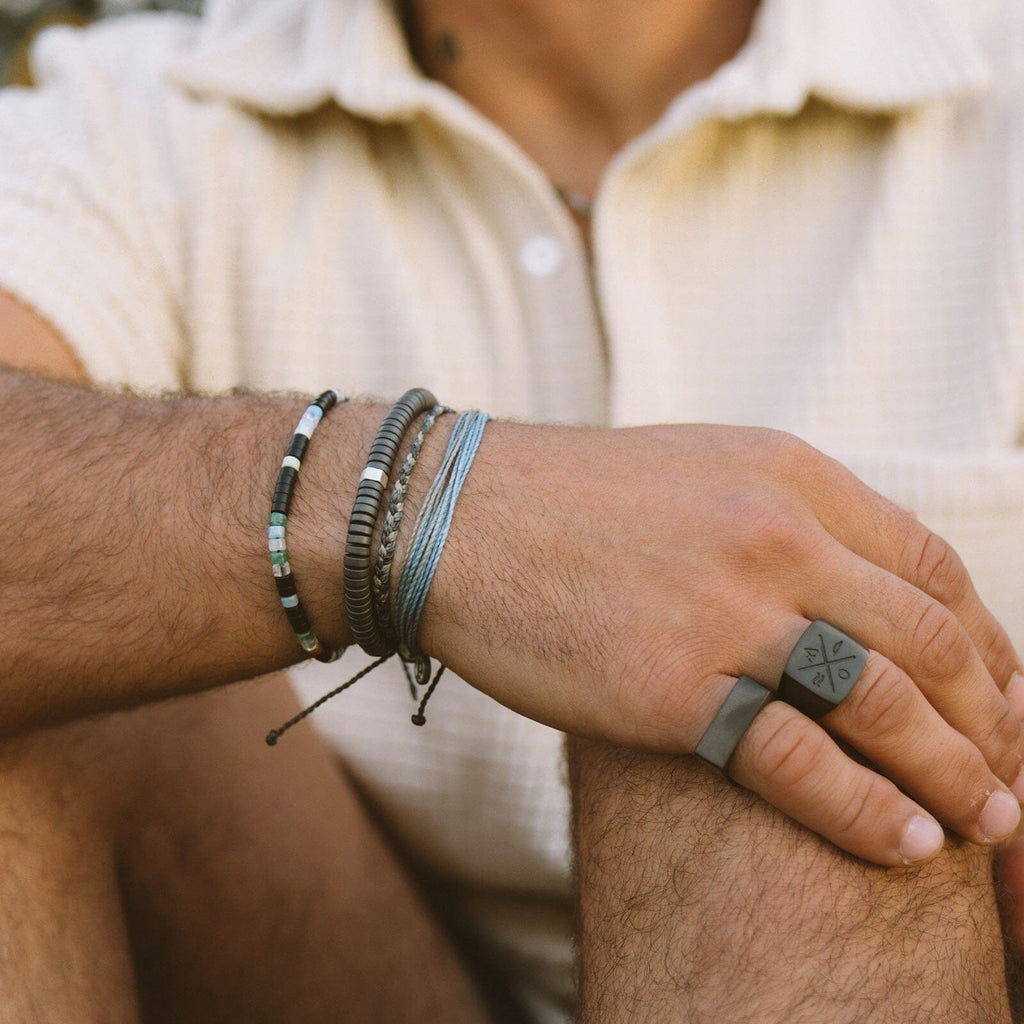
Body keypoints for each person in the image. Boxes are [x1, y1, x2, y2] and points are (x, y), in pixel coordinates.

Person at [0, 0, 1022, 1020]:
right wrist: (430, 500)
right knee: (53, 679)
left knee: (780, 731)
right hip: (347, 965)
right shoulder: (133, 123)